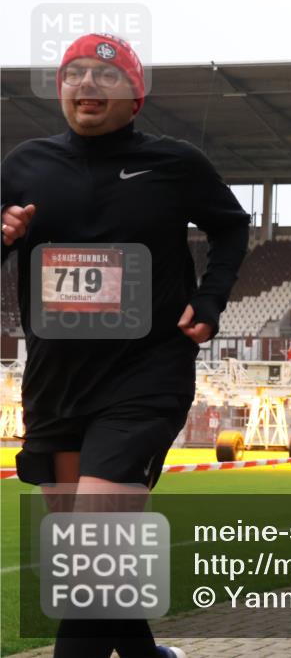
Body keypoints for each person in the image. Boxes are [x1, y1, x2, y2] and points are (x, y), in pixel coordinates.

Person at [1, 33, 249, 658]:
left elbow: (231, 225)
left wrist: (212, 299)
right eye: (74, 74)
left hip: (145, 376)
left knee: (92, 553)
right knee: (94, 562)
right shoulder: (24, 165)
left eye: (104, 76)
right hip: (57, 383)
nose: (86, 85)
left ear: (136, 96)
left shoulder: (175, 163)